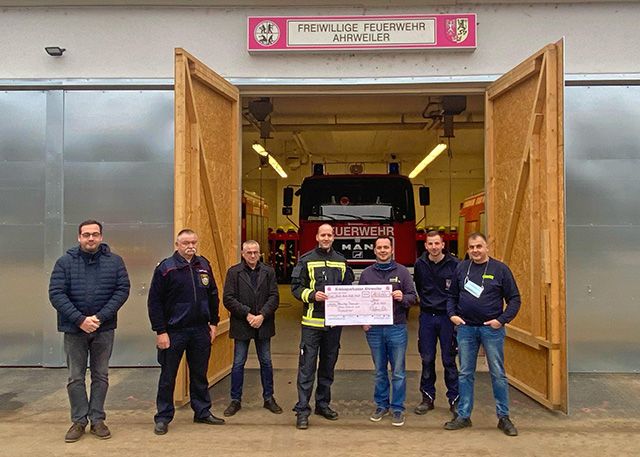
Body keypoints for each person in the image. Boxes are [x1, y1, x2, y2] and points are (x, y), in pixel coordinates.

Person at [49, 219, 130, 443]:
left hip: (103, 329)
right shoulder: (64, 262)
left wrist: (99, 317)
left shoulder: (115, 262)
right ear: (79, 237)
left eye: (95, 234)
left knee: (100, 375)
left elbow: (122, 290)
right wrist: (80, 320)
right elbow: (56, 293)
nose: (91, 238)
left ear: (101, 237)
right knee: (75, 377)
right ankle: (78, 421)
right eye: (86, 235)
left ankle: (97, 420)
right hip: (74, 329)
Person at [147, 229, 224, 435]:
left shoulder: (204, 265)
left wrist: (214, 323)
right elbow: (154, 302)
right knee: (168, 376)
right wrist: (160, 331)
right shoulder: (166, 268)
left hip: (200, 330)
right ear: (177, 245)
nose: (190, 246)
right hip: (174, 331)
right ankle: (163, 416)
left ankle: (202, 411)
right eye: (186, 243)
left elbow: (213, 295)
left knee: (199, 374)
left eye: (193, 242)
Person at [445, 232, 521, 436]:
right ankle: (463, 415)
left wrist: (501, 320)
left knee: (497, 373)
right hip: (466, 329)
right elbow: (451, 296)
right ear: (468, 249)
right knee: (465, 373)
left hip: (491, 329)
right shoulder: (461, 268)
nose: (475, 251)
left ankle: (503, 417)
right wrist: (452, 315)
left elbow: (514, 299)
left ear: (487, 247)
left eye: (479, 246)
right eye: (471, 247)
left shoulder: (500, 269)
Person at [291, 223, 354, 430]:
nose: (326, 238)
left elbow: (348, 288)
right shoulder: (306, 260)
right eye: (323, 235)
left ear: (333, 237)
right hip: (312, 324)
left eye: (329, 235)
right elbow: (296, 288)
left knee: (328, 367)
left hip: (334, 324)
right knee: (307, 368)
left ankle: (322, 404)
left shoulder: (341, 261)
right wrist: (311, 295)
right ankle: (302, 410)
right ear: (317, 237)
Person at [359, 236, 417, 427]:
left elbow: (413, 297)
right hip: (374, 329)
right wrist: (363, 320)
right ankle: (381, 405)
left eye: (386, 247)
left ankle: (398, 408)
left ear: (392, 250)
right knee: (379, 371)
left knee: (398, 371)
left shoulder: (403, 272)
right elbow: (360, 302)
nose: (383, 250)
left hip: (396, 327)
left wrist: (403, 297)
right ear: (374, 251)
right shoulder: (367, 274)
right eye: (379, 247)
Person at [222, 240, 282, 417]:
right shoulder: (234, 273)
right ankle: (235, 400)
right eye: (249, 252)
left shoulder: (268, 272)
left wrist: (262, 315)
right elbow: (228, 298)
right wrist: (248, 314)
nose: (253, 256)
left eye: (256, 252)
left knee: (266, 362)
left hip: (263, 324)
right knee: (239, 363)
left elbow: (274, 297)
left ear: (260, 253)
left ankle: (269, 398)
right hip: (243, 324)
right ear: (243, 253)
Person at [413, 230, 460, 416]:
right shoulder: (420, 264)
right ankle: (427, 398)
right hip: (427, 317)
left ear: (443, 245)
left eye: (437, 243)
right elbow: (419, 287)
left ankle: (455, 399)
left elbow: (458, 291)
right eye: (430, 244)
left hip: (447, 318)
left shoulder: (455, 265)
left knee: (449, 359)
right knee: (427, 359)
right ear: (425, 246)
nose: (433, 247)